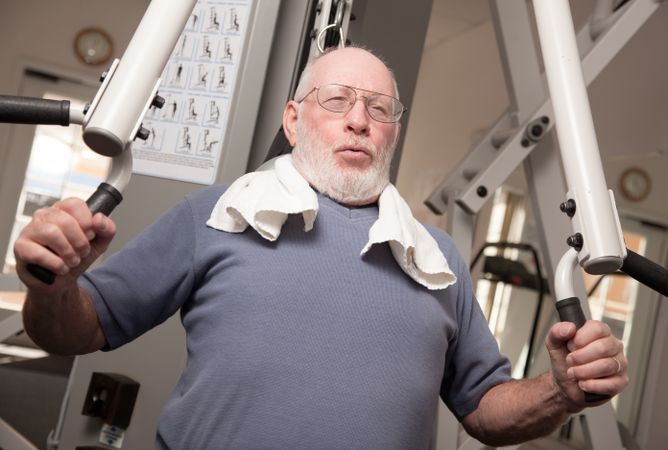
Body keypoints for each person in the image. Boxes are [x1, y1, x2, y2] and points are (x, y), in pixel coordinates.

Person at [15, 46, 627, 449]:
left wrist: (560, 390)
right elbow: (75, 331)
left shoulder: (436, 259)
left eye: (379, 108)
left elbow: (485, 409)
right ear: (293, 120)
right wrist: (53, 281)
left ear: (392, 131)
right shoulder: (215, 216)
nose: (358, 120)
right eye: (336, 101)